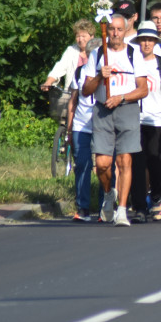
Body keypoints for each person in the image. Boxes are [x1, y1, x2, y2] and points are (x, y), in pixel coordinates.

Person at [81, 14, 148, 226]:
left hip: (126, 109)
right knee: (102, 164)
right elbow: (85, 90)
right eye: (111, 29)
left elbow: (143, 89)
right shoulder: (97, 54)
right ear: (106, 30)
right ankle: (109, 193)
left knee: (124, 160)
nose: (115, 33)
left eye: (119, 29)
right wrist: (100, 76)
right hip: (102, 110)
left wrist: (122, 97)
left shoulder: (133, 53)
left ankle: (122, 209)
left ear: (126, 29)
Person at [129, 21, 161, 221]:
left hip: (158, 120)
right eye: (143, 39)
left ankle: (156, 199)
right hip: (135, 120)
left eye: (150, 40)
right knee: (138, 163)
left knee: (157, 163)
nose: (146, 44)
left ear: (155, 42)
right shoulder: (132, 62)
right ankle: (139, 207)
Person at [66, 50, 96, 221]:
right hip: (81, 124)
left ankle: (104, 207)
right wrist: (70, 128)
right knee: (82, 164)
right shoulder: (80, 71)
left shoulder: (106, 70)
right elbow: (73, 100)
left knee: (105, 165)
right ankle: (82, 207)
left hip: (101, 125)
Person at [40, 19, 97, 91]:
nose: (80, 39)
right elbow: (59, 67)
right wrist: (48, 82)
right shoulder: (71, 50)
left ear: (92, 36)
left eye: (83, 36)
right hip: (72, 92)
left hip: (92, 93)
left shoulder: (97, 50)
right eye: (78, 36)